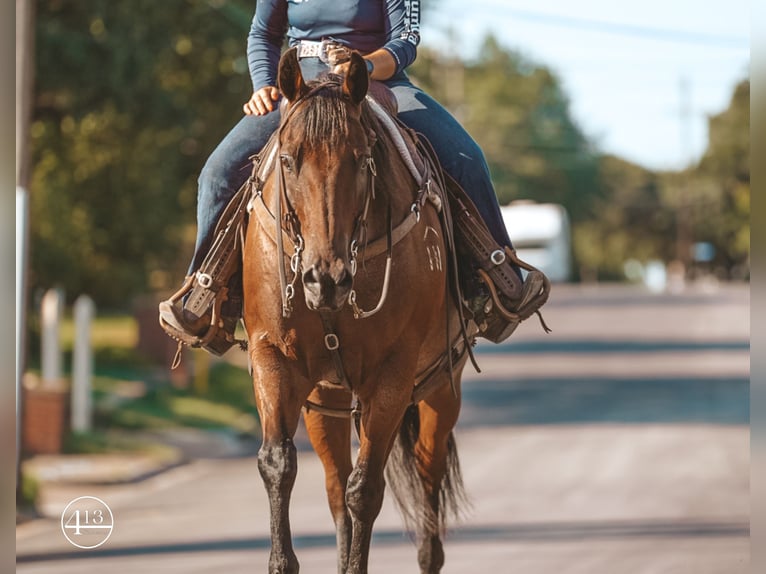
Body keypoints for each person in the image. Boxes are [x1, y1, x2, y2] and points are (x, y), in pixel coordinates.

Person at [159, 0, 547, 346]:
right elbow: (263, 32)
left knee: (466, 157)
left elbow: (406, 39)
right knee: (217, 173)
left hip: (375, 80)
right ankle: (206, 294)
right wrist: (264, 86)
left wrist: (363, 65)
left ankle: (496, 277)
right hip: (298, 88)